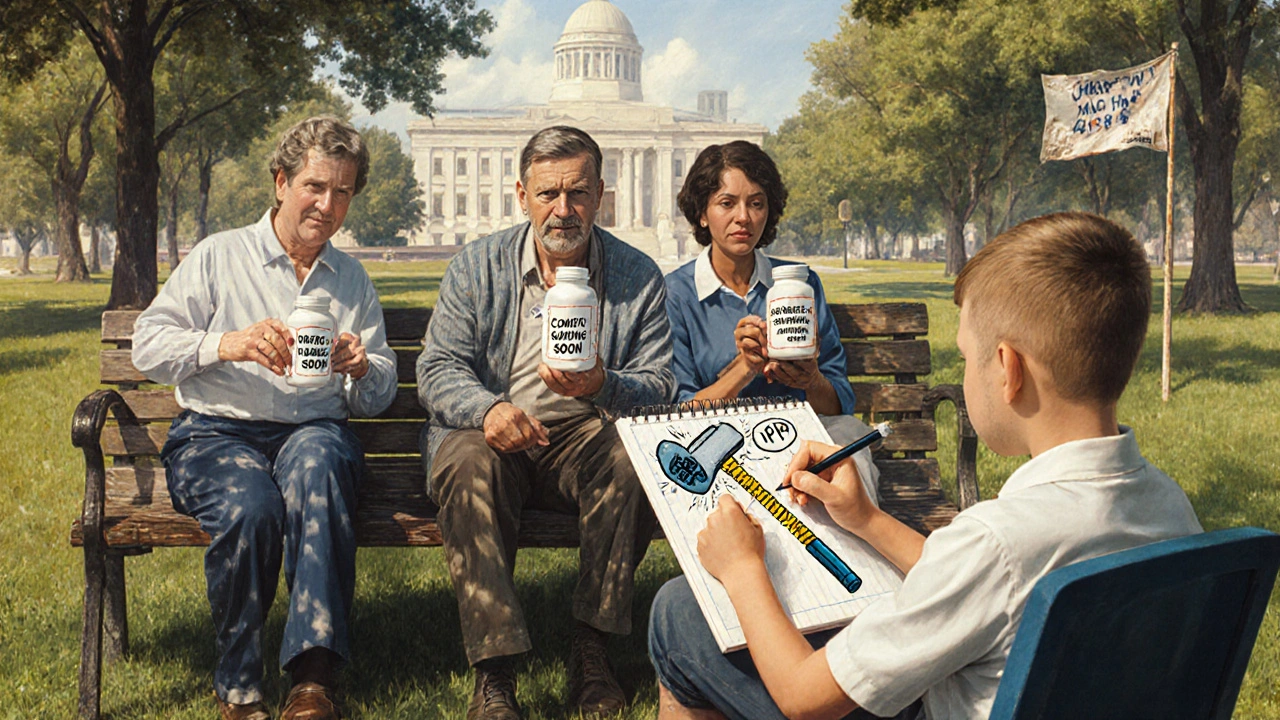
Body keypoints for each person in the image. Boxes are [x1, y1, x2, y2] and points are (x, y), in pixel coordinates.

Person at [648, 212, 1204, 720]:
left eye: (966, 357)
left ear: (1007, 369)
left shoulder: (997, 543)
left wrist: (743, 567)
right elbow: (985, 582)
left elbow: (804, 697)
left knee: (678, 611)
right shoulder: (1167, 504)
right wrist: (865, 518)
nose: (966, 371)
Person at [132, 116, 397, 720]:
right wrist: (227, 343)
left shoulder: (350, 278)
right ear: (281, 182)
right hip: (217, 432)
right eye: (314, 186)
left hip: (314, 431)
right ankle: (240, 690)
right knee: (250, 506)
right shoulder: (221, 255)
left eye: (343, 192)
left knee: (320, 468)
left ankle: (312, 682)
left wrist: (361, 366)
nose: (327, 206)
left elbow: (378, 395)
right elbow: (148, 342)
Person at [416, 126, 674, 720]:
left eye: (578, 193)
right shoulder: (477, 267)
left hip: (584, 437)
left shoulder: (635, 275)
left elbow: (661, 384)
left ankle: (591, 649)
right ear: (521, 195)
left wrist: (602, 383)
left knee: (632, 454)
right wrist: (489, 410)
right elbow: (438, 367)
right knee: (467, 462)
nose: (564, 210)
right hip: (492, 432)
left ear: (601, 195)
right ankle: (495, 672)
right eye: (548, 194)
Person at [664, 140, 877, 499]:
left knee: (849, 444)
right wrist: (744, 368)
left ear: (770, 210)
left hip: (801, 437)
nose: (743, 217)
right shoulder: (677, 293)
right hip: (722, 445)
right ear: (702, 213)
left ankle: (866, 548)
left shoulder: (800, 284)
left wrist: (811, 379)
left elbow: (839, 403)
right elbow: (680, 414)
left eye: (756, 203)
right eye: (727, 203)